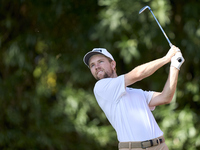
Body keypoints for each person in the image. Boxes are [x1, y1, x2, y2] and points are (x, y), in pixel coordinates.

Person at [83, 46, 184, 150]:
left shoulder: (135, 92)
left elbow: (165, 97)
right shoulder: (101, 87)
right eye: (92, 65)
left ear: (113, 64)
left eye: (100, 61)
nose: (96, 66)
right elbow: (138, 74)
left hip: (161, 146)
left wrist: (175, 65)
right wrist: (166, 58)